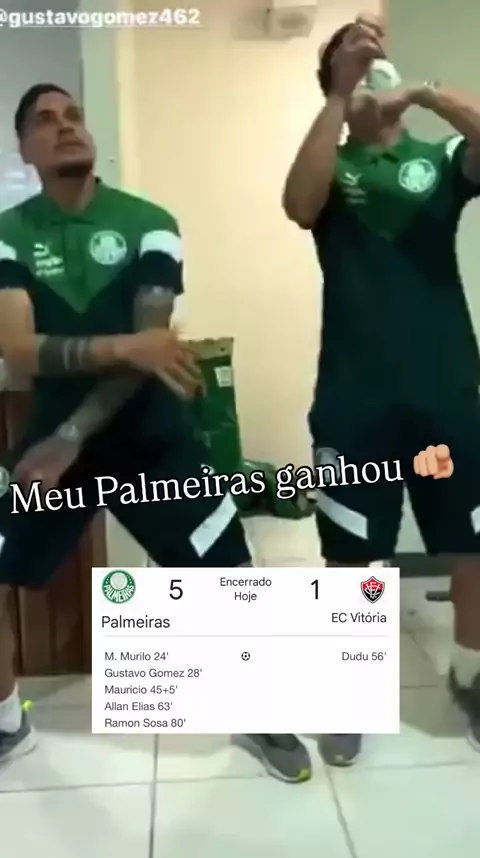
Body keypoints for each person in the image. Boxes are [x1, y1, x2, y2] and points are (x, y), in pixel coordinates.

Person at [0, 84, 312, 784]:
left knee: (229, 575)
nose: (66, 127)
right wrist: (125, 350)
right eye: (46, 121)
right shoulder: (8, 234)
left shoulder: (150, 224)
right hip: (52, 453)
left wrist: (75, 428)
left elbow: (156, 350)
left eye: (74, 115)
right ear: (24, 149)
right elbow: (18, 348)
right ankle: (7, 723)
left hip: (151, 437)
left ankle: (261, 713)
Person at [282, 14, 480, 767]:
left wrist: (425, 93)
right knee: (351, 558)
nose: (368, 66)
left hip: (447, 392)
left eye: (374, 58)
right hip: (352, 397)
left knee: (471, 546)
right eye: (349, 61)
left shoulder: (443, 158)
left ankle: (472, 676)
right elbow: (298, 206)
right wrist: (338, 97)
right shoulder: (330, 166)